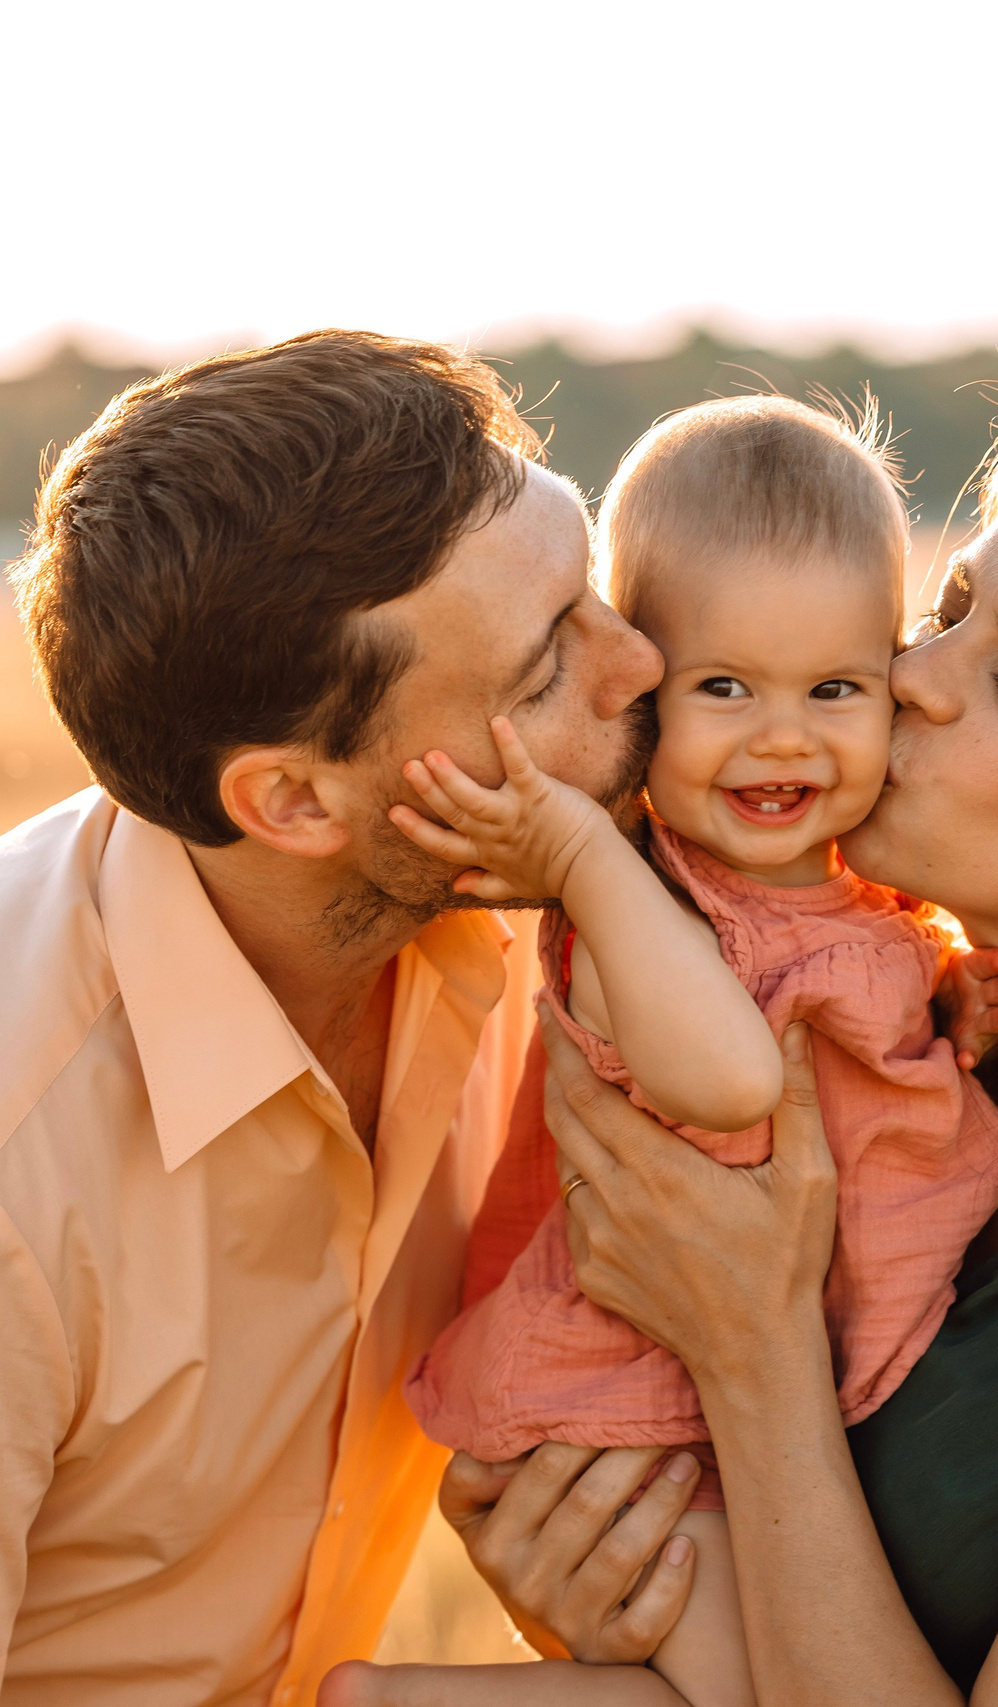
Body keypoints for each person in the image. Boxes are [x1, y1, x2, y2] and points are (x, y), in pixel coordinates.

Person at [327, 391, 998, 1707]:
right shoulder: (904, 1043)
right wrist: (603, 1592)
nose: (905, 678)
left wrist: (754, 1362)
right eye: (944, 612)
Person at [0, 330, 663, 1706]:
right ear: (294, 803)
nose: (642, 662)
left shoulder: (531, 918)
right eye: (544, 671)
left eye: (590, 586)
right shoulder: (22, 1150)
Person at [392, 398, 998, 1706]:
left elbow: (851, 1047)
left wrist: (946, 1010)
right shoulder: (647, 903)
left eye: (834, 689)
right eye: (721, 687)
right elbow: (733, 1079)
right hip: (627, 1410)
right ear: (640, 683)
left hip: (719, 1391)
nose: (781, 736)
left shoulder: (855, 898)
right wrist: (570, 853)